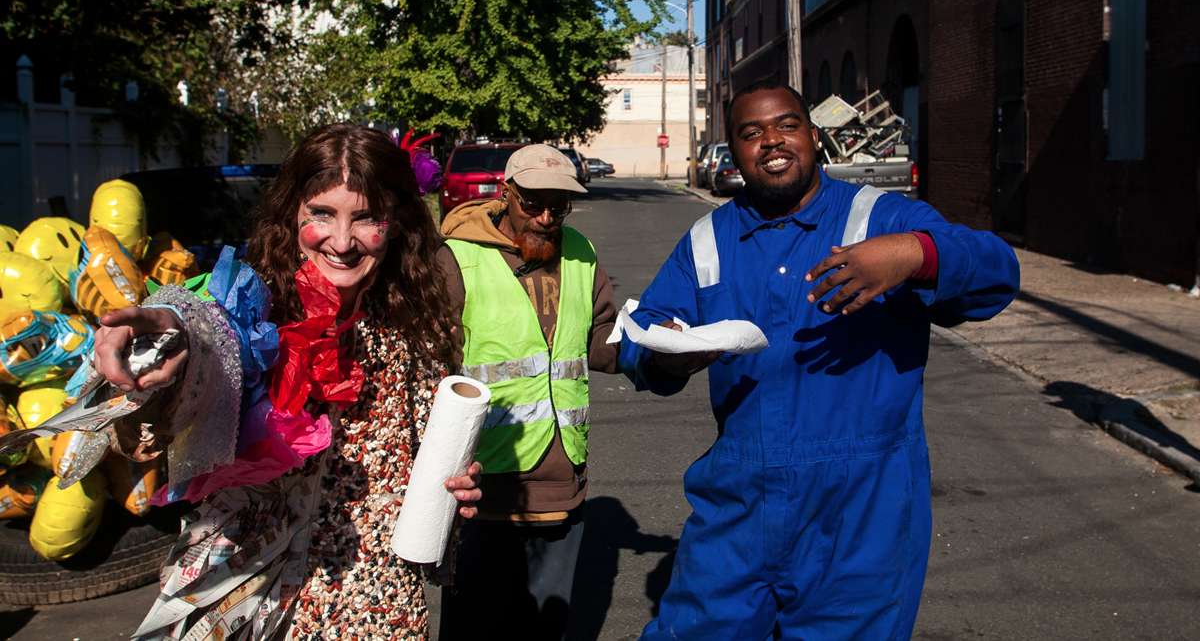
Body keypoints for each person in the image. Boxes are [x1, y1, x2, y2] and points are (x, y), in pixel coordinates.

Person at [618, 79, 1020, 640]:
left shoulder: (878, 219)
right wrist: (667, 355)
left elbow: (996, 273)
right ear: (733, 150)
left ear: (813, 136)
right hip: (738, 506)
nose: (772, 141)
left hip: (862, 513)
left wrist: (912, 254)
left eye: (787, 124)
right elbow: (643, 335)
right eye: (750, 133)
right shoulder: (708, 240)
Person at [92, 123, 482, 639]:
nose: (342, 242)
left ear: (396, 222)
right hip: (253, 595)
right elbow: (204, 335)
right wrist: (170, 337)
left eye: (366, 218)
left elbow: (426, 453)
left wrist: (457, 485)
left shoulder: (419, 321)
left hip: (374, 602)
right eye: (322, 213)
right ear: (292, 212)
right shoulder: (256, 311)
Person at [436, 144, 619, 640]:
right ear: (506, 194)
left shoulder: (580, 251)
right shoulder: (458, 259)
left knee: (545, 628)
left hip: (562, 486)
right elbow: (430, 368)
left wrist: (662, 350)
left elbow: (601, 339)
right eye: (532, 203)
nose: (545, 217)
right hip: (483, 489)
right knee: (475, 627)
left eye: (558, 206)